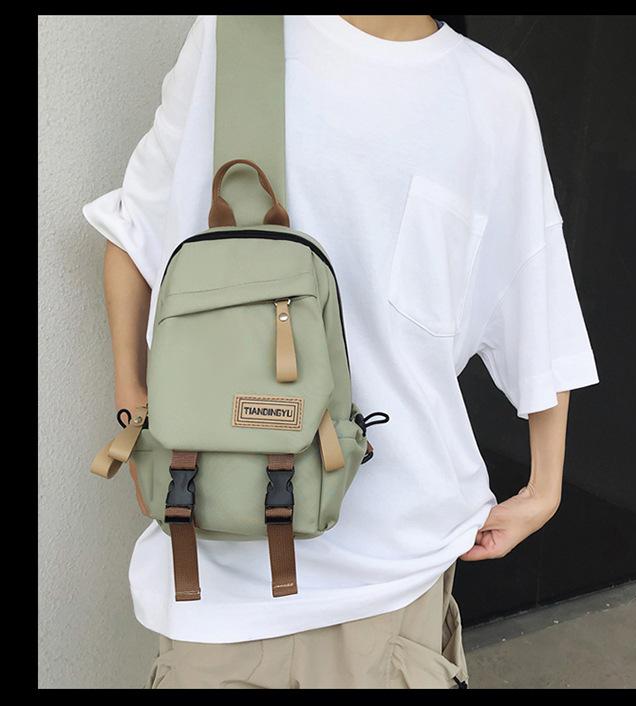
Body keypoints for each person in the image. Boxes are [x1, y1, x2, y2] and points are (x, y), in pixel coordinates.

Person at [83, 15, 599, 689]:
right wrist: (134, 414)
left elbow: (536, 295)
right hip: (216, 578)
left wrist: (546, 486)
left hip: (396, 574)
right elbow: (134, 232)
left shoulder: (490, 95)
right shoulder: (235, 36)